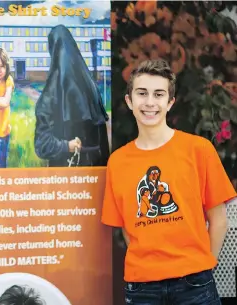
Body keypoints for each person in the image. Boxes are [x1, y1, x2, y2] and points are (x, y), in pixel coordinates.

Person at [101, 59, 237, 304]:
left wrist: (204, 267)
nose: (150, 102)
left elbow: (219, 220)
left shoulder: (199, 150)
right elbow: (128, 229)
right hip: (142, 286)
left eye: (159, 94)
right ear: (129, 101)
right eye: (142, 93)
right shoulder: (117, 162)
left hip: (195, 284)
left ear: (170, 102)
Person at [34, 24, 110, 167]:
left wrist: (66, 146)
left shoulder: (50, 93)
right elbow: (103, 142)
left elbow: (42, 144)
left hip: (64, 179)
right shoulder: (91, 87)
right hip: (94, 177)